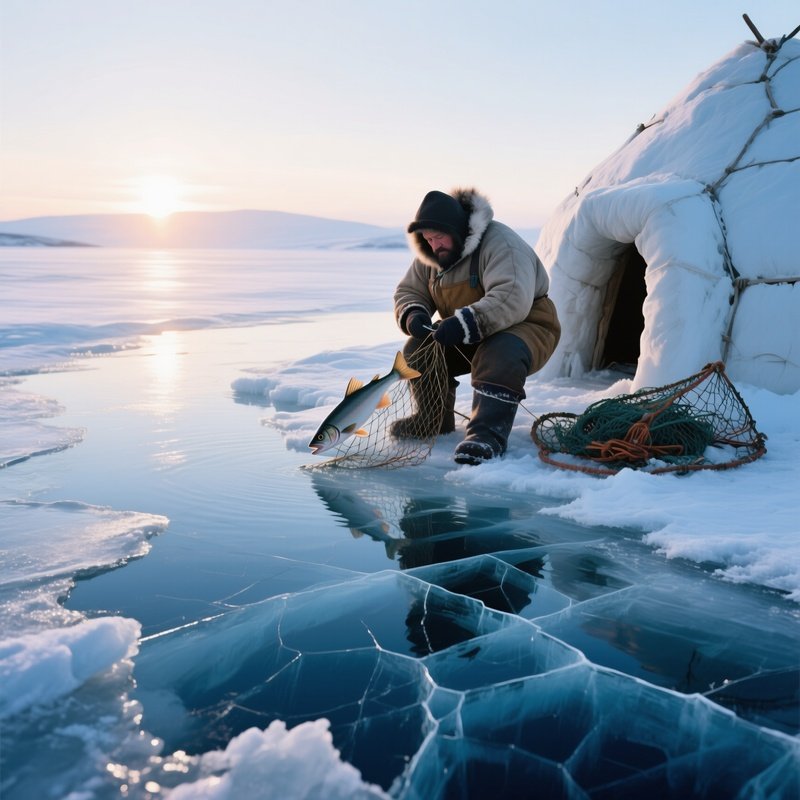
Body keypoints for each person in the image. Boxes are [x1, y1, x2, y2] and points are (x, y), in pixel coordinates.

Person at [392, 187, 560, 465]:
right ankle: (432, 421)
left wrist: (464, 323)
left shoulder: (501, 243)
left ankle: (486, 435)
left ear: (457, 230)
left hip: (527, 325)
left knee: (499, 353)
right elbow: (409, 291)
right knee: (418, 348)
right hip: (468, 329)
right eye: (427, 239)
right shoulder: (433, 255)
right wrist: (414, 314)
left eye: (439, 237)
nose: (434, 245)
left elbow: (511, 296)